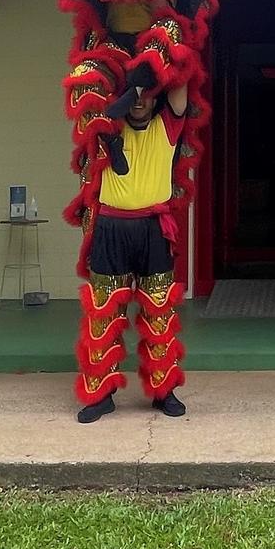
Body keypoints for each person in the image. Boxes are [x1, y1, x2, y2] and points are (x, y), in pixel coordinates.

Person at [75, 83, 188, 423]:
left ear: (158, 97)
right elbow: (94, 108)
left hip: (153, 228)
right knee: (102, 312)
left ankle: (163, 391)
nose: (140, 100)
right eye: (133, 94)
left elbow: (179, 81)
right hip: (110, 227)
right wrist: (132, 86)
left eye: (147, 93)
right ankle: (100, 394)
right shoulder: (107, 127)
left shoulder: (167, 124)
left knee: (159, 311)